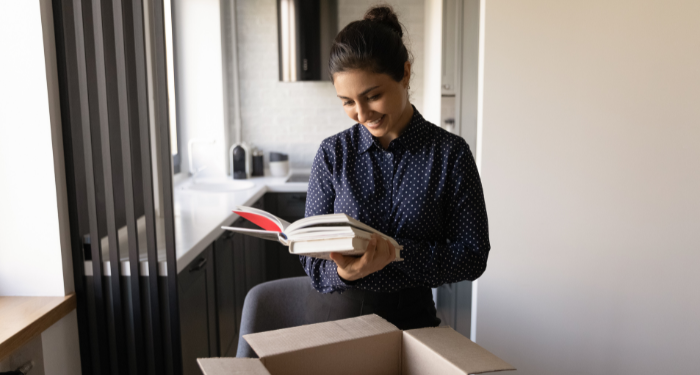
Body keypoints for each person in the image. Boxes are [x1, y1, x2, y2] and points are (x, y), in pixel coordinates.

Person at [300, 5, 490, 330]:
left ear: (405, 73)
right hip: (338, 318)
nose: (361, 114)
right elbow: (309, 258)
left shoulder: (450, 155)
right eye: (347, 102)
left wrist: (398, 254)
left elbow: (472, 256)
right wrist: (345, 271)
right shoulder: (332, 154)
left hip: (414, 321)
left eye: (372, 96)